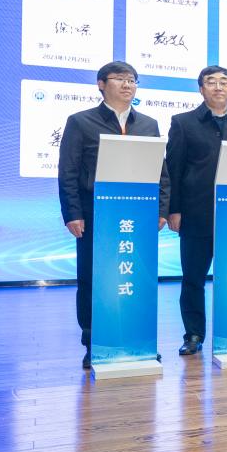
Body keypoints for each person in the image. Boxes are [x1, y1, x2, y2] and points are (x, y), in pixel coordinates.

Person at [58, 61, 169, 369]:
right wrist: (72, 213)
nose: (127, 85)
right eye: (120, 79)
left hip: (139, 216)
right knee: (94, 279)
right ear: (101, 84)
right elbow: (68, 171)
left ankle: (139, 340)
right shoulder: (81, 121)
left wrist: (161, 210)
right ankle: (94, 342)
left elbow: (161, 172)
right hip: (95, 215)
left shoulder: (148, 124)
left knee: (136, 276)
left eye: (132, 80)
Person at [165, 66, 227, 356]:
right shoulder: (183, 122)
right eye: (211, 82)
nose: (219, 87)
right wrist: (174, 209)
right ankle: (194, 334)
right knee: (193, 278)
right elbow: (173, 169)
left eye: (224, 82)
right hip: (196, 213)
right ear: (201, 88)